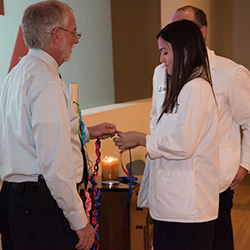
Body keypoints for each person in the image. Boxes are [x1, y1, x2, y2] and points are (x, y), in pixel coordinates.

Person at [0, 1, 116, 250]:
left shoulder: (15, 74)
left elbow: (25, 136)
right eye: (74, 33)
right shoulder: (47, 82)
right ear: (56, 35)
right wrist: (80, 222)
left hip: (13, 201)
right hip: (41, 207)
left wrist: (88, 133)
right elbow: (55, 163)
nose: (76, 40)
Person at [114, 19, 220, 250]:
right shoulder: (166, 77)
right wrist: (146, 140)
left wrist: (142, 140)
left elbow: (183, 145)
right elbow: (158, 122)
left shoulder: (197, 88)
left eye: (165, 52)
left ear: (184, 51)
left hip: (189, 206)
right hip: (167, 201)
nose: (161, 59)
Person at [169, 6, 250, 250]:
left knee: (217, 241)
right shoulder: (167, 72)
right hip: (179, 181)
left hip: (216, 181)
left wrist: (244, 165)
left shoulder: (230, 73)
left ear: (202, 32)